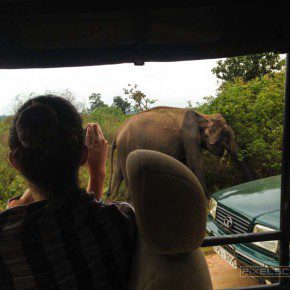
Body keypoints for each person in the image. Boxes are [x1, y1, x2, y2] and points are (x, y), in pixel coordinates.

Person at [0, 95, 136, 289]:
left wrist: (33, 169)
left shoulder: (6, 242)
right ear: (83, 155)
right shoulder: (120, 221)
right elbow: (81, 223)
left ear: (15, 162)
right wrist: (97, 174)